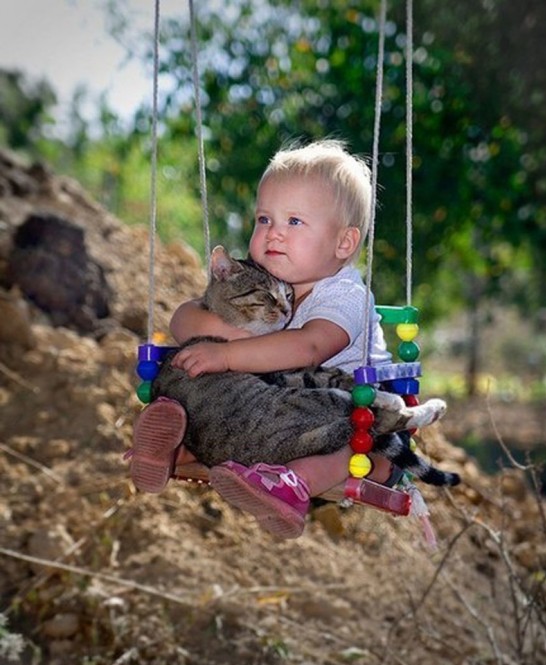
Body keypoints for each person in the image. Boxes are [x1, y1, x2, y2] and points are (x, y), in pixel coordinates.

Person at [129, 139, 444, 538]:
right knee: (207, 393)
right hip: (276, 418)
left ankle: (289, 488)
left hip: (359, 420)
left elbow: (308, 347)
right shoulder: (268, 283)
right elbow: (186, 317)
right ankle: (172, 446)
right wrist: (226, 336)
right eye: (264, 220)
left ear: (343, 243)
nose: (273, 234)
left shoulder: (345, 294)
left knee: (344, 445)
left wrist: (227, 355)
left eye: (294, 222)